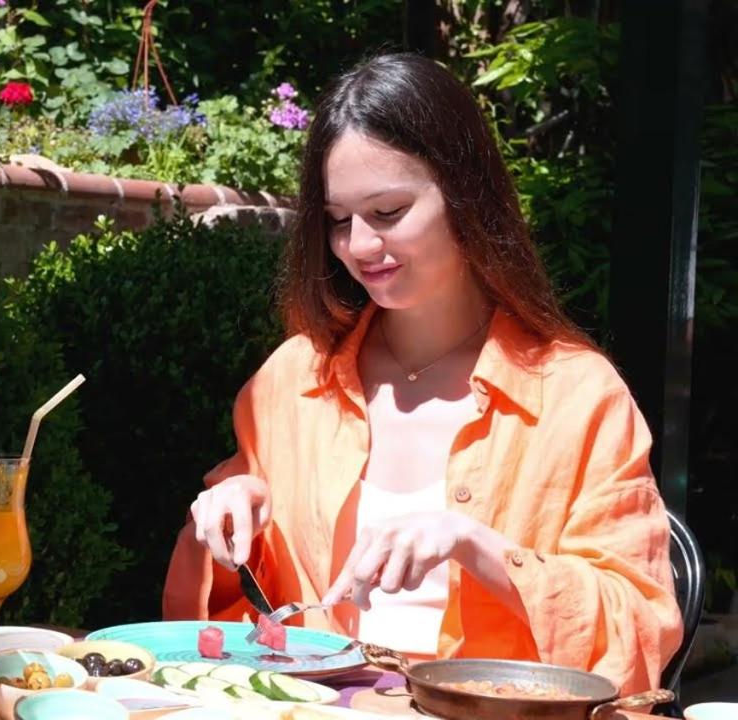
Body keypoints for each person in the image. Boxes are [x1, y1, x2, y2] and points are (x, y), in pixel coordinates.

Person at [164, 53, 683, 695]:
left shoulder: (578, 396)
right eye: (337, 220)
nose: (358, 245)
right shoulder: (291, 382)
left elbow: (638, 628)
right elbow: (219, 626)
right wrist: (223, 527)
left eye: (387, 212)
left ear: (467, 196)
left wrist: (476, 547)